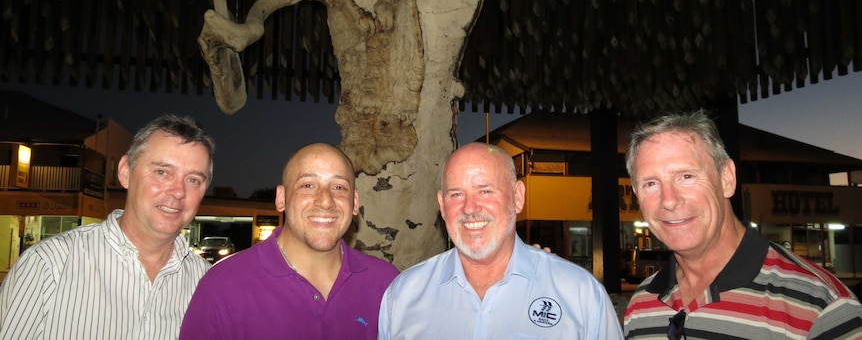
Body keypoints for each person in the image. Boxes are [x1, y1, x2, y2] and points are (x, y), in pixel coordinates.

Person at [623, 110, 862, 339]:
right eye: (651, 184)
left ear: (727, 178)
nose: (669, 201)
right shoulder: (642, 305)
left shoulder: (818, 305)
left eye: (686, 176)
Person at [0, 114, 215, 340]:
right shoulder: (48, 264)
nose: (178, 191)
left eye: (193, 180)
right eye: (162, 172)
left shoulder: (207, 282)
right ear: (125, 172)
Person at [378, 142, 624, 339]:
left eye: (485, 190)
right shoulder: (403, 296)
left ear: (517, 197)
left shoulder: (579, 294)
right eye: (456, 194)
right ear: (442, 205)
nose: (470, 207)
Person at [179, 143, 399, 340]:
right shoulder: (222, 286)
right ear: (281, 198)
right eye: (308, 185)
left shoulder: (387, 284)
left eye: (339, 187)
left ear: (354, 202)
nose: (325, 201)